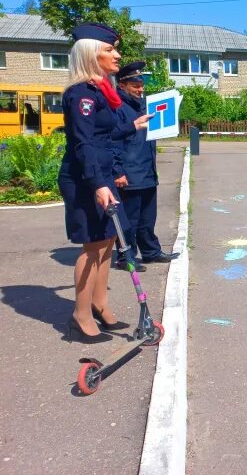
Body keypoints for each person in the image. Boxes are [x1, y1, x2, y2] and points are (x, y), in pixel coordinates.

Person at [58, 23, 152, 343]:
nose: (117, 54)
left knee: (108, 240)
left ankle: (99, 305)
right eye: (110, 50)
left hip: (101, 176)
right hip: (86, 178)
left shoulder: (100, 91)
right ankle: (80, 316)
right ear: (90, 54)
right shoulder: (81, 94)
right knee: (92, 245)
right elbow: (84, 144)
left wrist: (133, 125)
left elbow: (105, 135)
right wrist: (99, 184)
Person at [113, 61, 180, 267]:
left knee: (148, 218)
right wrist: (118, 172)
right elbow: (112, 141)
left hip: (148, 170)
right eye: (135, 86)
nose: (140, 89)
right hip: (129, 173)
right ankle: (127, 256)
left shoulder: (144, 105)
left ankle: (151, 251)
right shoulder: (117, 108)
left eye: (141, 85)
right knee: (129, 220)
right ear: (122, 85)